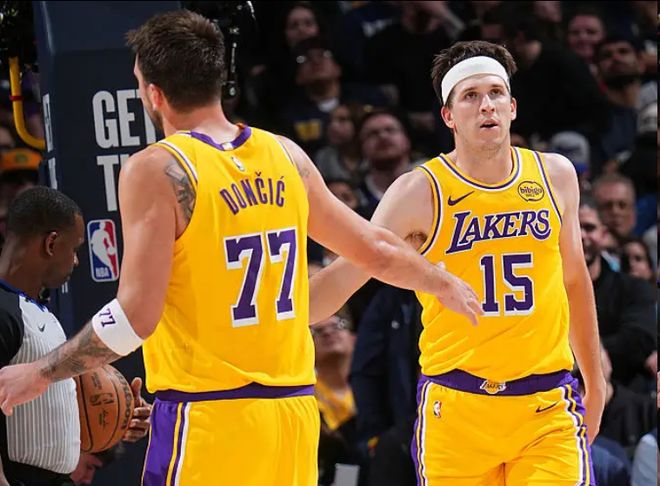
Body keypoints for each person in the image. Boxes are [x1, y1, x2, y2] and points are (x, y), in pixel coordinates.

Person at [0, 10, 479, 486]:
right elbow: (374, 248)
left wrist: (40, 374)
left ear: (153, 93)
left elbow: (134, 318)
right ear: (218, 79)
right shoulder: (286, 155)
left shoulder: (157, 168)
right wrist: (442, 282)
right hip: (292, 417)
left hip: (209, 420)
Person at [309, 40, 606, 484]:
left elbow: (575, 282)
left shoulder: (555, 175)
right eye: (470, 96)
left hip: (545, 407)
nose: (486, 105)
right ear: (448, 116)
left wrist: (595, 380)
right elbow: (347, 274)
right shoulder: (418, 192)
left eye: (496, 93)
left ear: (512, 108)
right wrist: (279, 313)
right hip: (457, 410)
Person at [0, 187, 150, 486]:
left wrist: (117, 412)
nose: (77, 261)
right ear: (51, 243)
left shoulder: (42, 313)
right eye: (75, 248)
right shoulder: (5, 310)